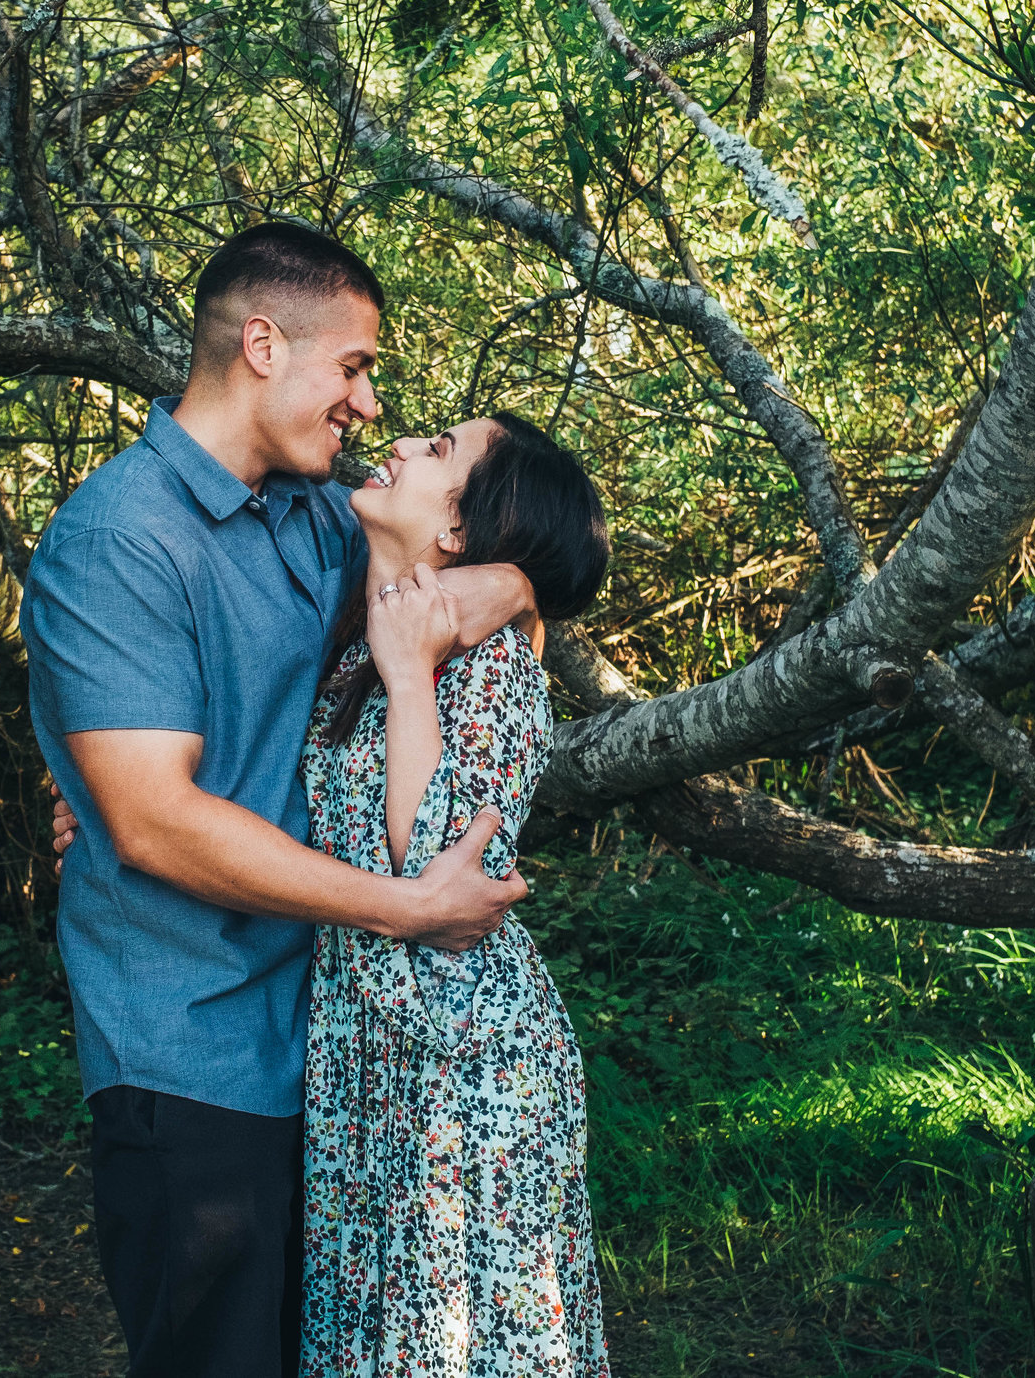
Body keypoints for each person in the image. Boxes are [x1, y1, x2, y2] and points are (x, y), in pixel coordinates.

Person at [22, 221, 537, 1378]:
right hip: (193, 1056)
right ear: (263, 342)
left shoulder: (314, 511)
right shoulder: (117, 540)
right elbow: (154, 820)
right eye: (351, 365)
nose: (366, 402)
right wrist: (405, 905)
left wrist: (511, 582)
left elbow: (490, 535)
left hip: (336, 1047)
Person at [298, 413, 611, 1375]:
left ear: (461, 531)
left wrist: (409, 672)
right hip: (371, 1057)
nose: (397, 443)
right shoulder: (363, 647)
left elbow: (428, 869)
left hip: (461, 1066)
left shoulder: (491, 667)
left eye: (438, 452)